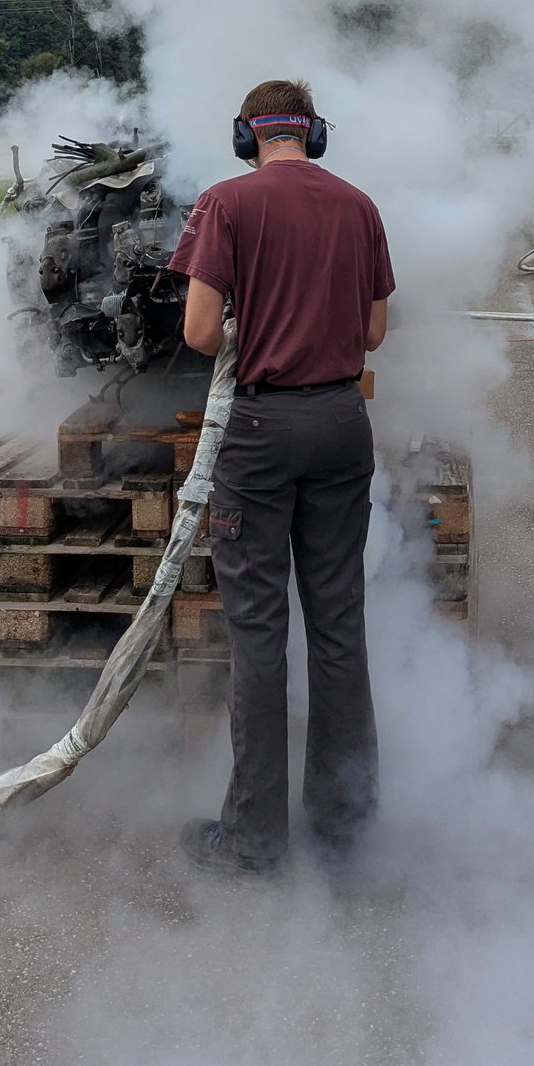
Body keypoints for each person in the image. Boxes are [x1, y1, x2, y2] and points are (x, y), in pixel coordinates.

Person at [166, 77, 394, 878]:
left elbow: (199, 333)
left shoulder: (226, 204)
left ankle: (256, 842)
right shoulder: (360, 206)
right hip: (341, 425)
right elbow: (372, 331)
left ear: (247, 136)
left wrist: (251, 318)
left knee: (260, 635)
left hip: (260, 433)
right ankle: (344, 823)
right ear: (314, 133)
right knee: (338, 624)